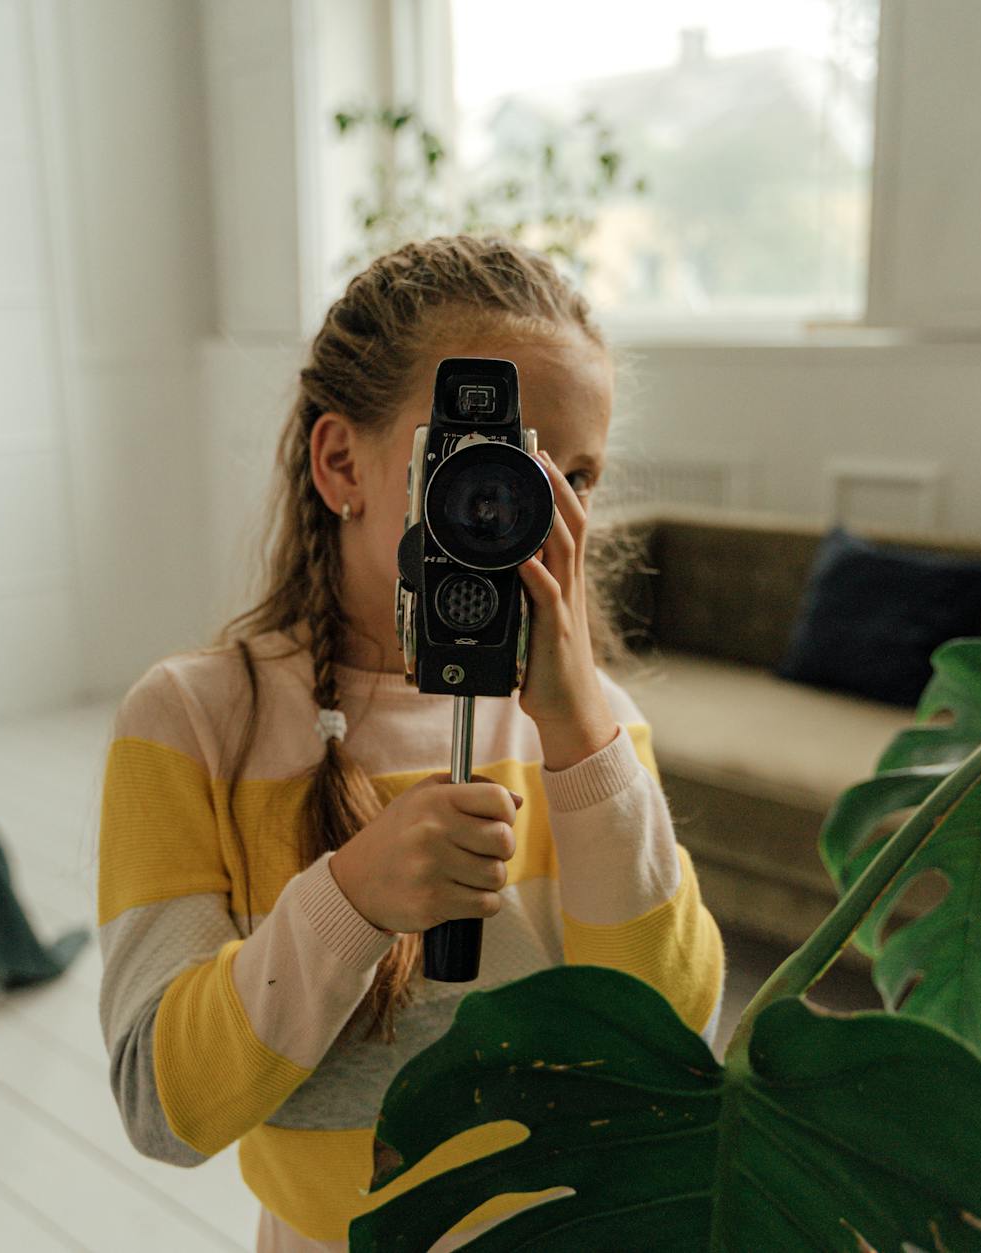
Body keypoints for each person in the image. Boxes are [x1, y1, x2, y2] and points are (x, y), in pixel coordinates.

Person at [95, 236, 726, 1251]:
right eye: (490, 469)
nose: (534, 512)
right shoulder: (193, 721)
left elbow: (672, 1043)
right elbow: (160, 1102)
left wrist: (579, 743)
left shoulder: (595, 725)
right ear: (340, 460)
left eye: (574, 476)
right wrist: (347, 901)